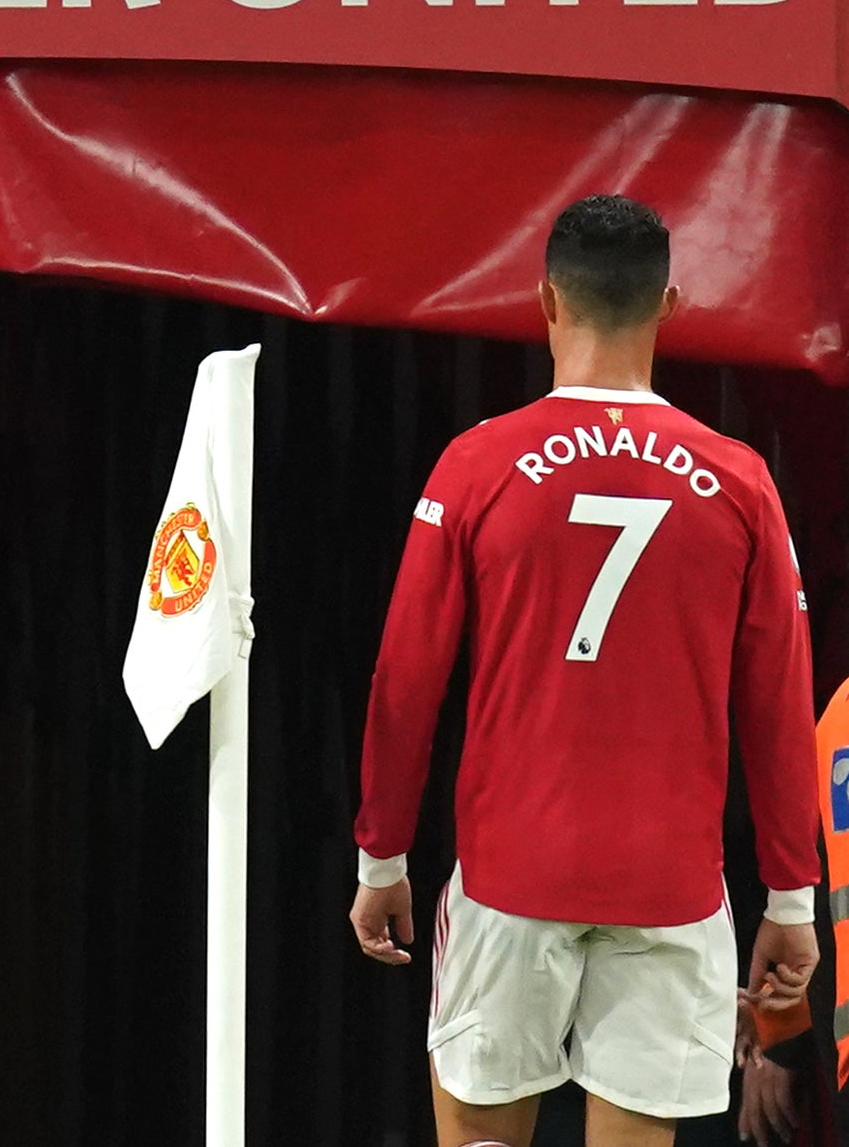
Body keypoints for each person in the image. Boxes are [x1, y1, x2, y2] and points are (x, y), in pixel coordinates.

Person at [350, 196, 821, 1147]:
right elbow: (778, 703)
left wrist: (382, 857)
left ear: (545, 301)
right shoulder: (738, 480)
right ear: (671, 304)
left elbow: (405, 682)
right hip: (671, 889)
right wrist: (790, 898)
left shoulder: (474, 467)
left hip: (511, 877)